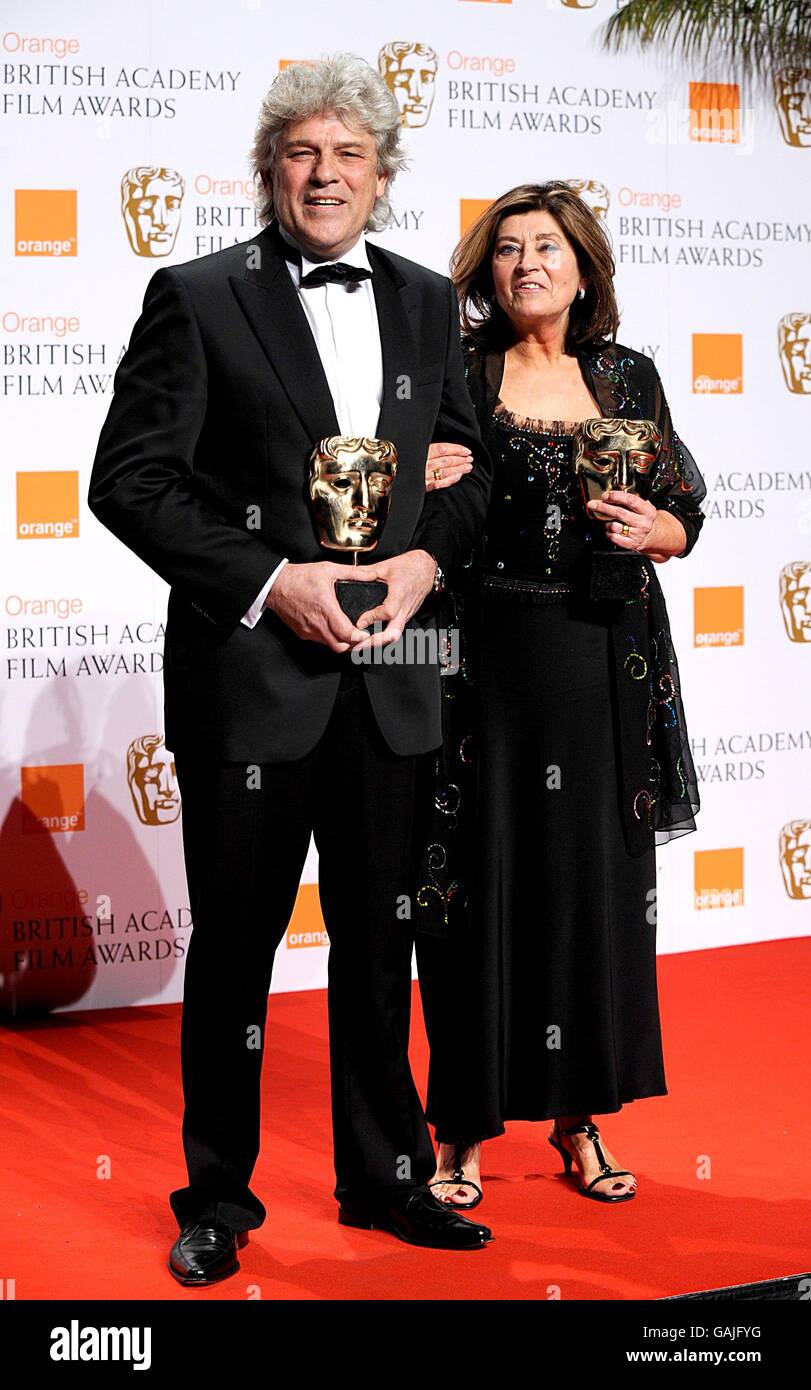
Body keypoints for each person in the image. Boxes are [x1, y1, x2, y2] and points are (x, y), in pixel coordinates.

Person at [88, 53, 495, 1285]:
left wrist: (424, 568)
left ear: (382, 175)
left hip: (396, 674)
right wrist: (274, 582)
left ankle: (385, 1177)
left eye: (349, 154)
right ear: (271, 169)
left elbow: (469, 467)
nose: (325, 174)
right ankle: (218, 1194)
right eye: (303, 152)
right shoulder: (199, 293)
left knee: (381, 945)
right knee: (237, 951)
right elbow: (131, 480)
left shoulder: (431, 301)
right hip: (253, 675)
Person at [414, 181, 705, 1209]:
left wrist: (656, 531)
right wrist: (425, 476)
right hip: (480, 666)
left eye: (546, 246)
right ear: (485, 275)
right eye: (506, 251)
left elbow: (683, 515)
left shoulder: (629, 376)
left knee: (589, 895)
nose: (526, 263)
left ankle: (578, 1121)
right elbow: (410, 516)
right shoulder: (458, 368)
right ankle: (458, 1133)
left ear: (583, 265)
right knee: (470, 894)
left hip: (603, 666)